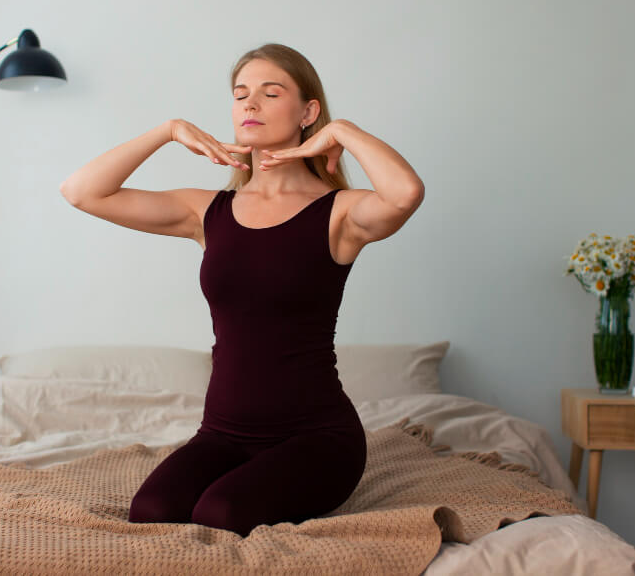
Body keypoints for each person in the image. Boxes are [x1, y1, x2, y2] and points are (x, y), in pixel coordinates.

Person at [59, 43, 424, 537]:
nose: (250, 104)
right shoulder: (207, 212)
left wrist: (343, 132)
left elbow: (405, 193)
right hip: (223, 435)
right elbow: (82, 191)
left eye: (271, 93)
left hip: (317, 439)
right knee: (151, 511)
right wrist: (167, 132)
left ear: (307, 112)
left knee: (222, 514)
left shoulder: (339, 213)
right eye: (240, 95)